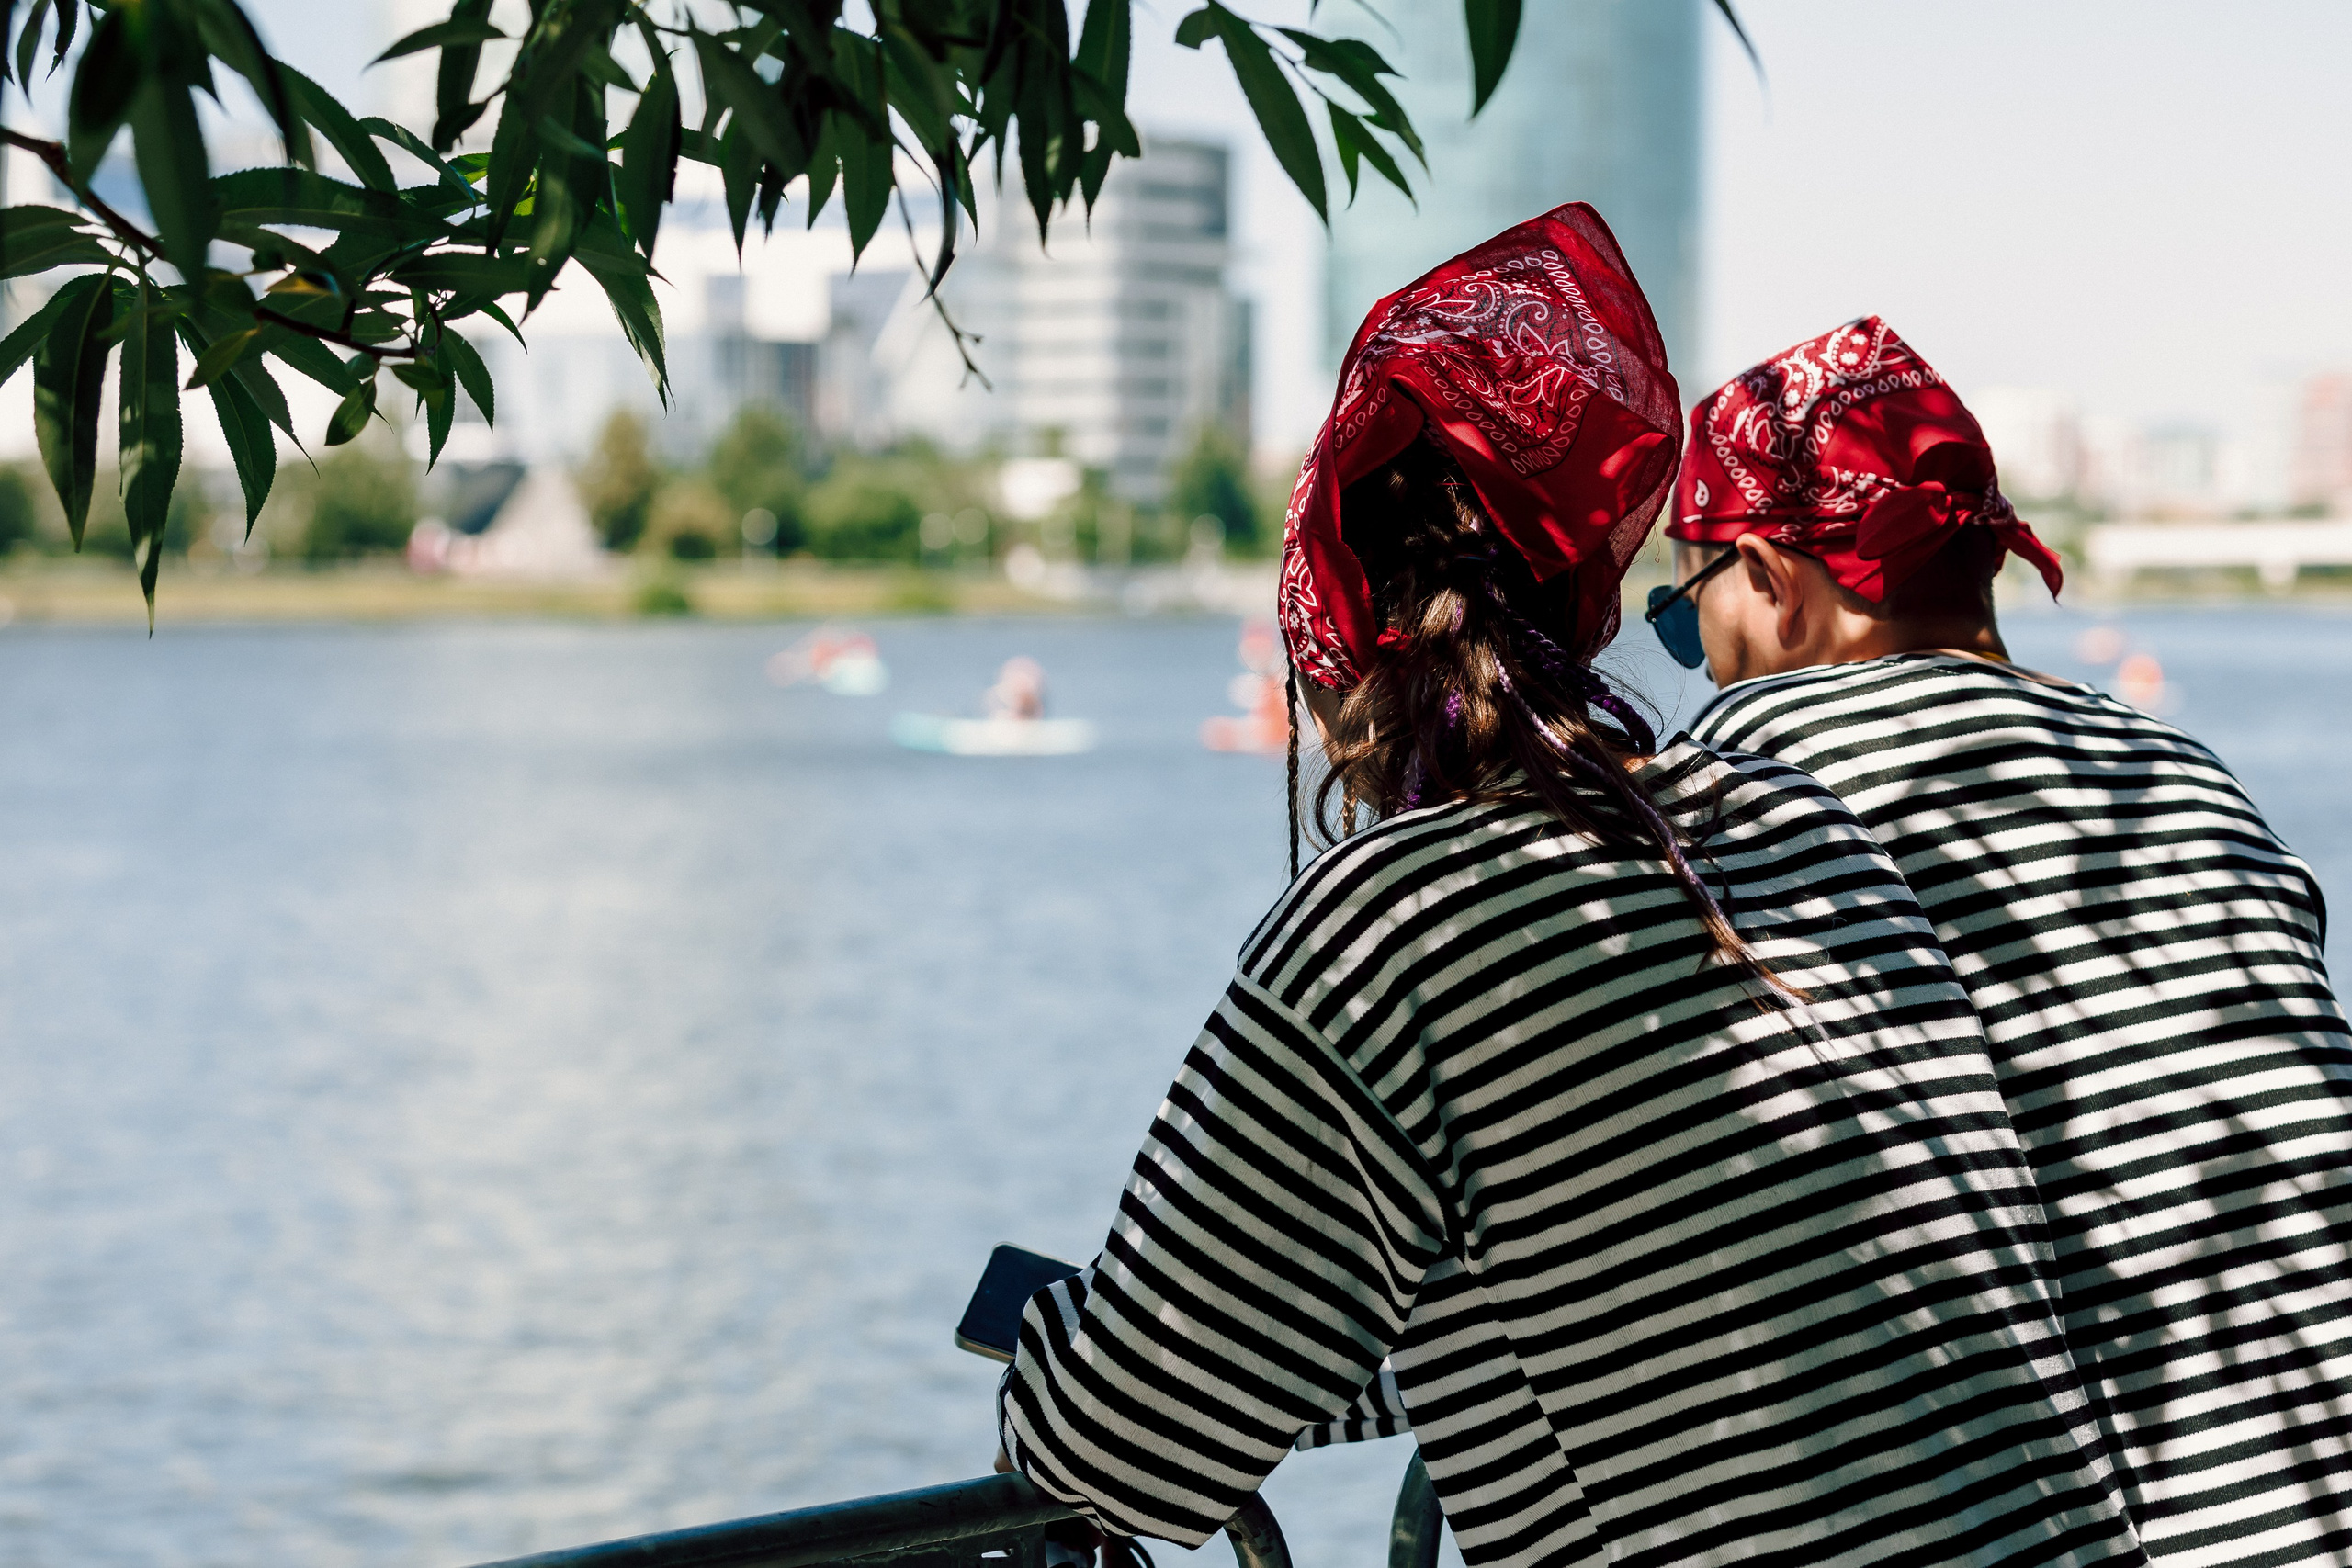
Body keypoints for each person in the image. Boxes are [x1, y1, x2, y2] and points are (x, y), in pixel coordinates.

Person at [994, 211, 2144, 1568]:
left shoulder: (1392, 929)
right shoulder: (1799, 827)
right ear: (1584, 600)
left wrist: (1042, 1343)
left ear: (1339, 636)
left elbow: (1121, 1442)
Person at [1660, 316, 2352, 1566]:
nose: (1697, 665)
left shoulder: (1744, 788)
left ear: (1769, 578)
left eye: (1681, 612)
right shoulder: (2182, 776)